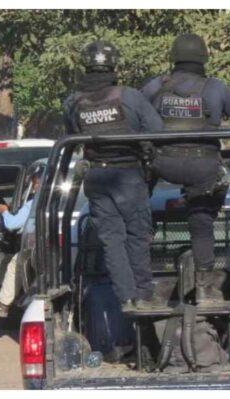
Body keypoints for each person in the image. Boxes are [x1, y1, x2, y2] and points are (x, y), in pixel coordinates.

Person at [140, 33, 230, 282]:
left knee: (137, 193)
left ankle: (143, 248)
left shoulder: (155, 86)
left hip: (162, 162)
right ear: (204, 59)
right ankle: (204, 278)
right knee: (201, 221)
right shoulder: (215, 88)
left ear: (173, 58)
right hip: (202, 165)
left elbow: (133, 116)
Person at [62, 40, 164, 312]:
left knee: (112, 240)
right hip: (129, 176)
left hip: (97, 176)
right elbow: (157, 130)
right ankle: (143, 293)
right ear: (113, 65)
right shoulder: (129, 96)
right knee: (137, 235)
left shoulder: (73, 102)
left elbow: (73, 136)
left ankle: (126, 297)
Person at [0, 171, 41, 317]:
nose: (34, 186)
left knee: (15, 264)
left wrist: (5, 212)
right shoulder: (64, 199)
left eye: (35, 183)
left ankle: (3, 303)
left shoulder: (33, 203)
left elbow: (12, 224)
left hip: (38, 246)